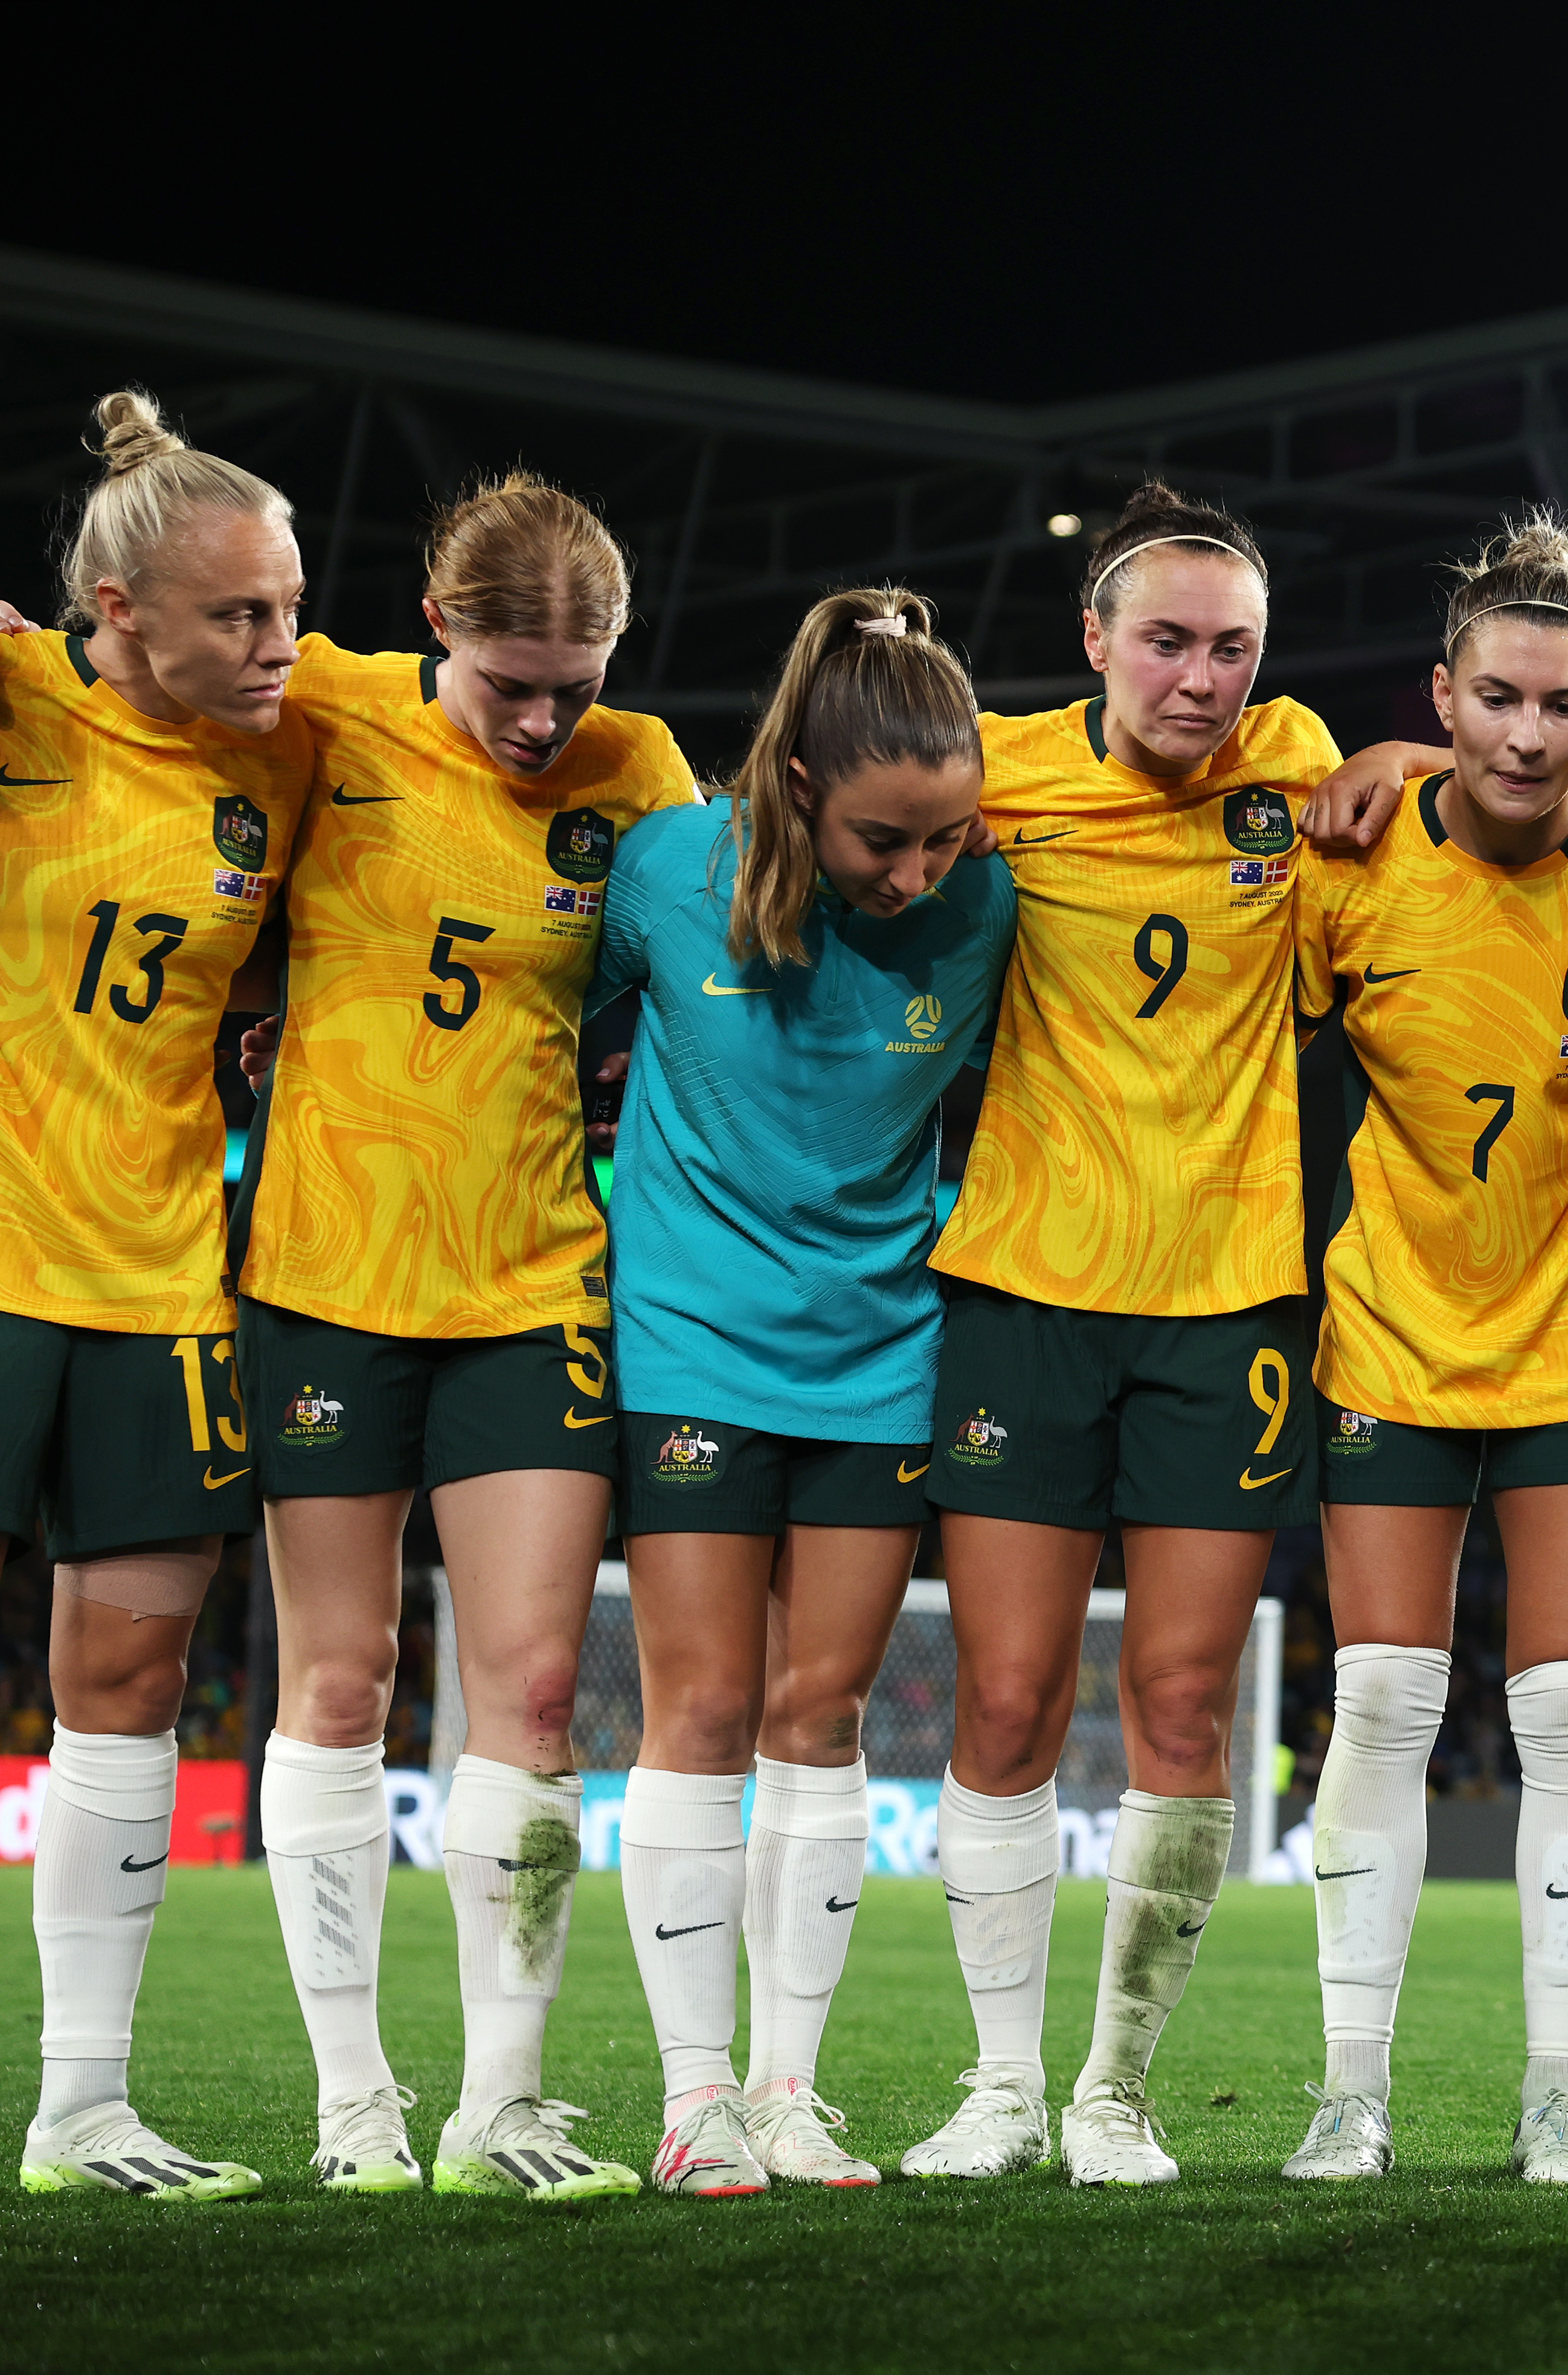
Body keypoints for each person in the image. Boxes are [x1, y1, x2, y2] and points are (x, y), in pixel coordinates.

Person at [901, 487, 1439, 2184]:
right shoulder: (996, 779)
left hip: (1229, 1308)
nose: (1200, 679)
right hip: (1024, 1293)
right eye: (1167, 642)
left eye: (1231, 648)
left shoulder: (1298, 770)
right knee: (999, 1699)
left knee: (1187, 1698)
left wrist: (1412, 758)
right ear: (1093, 643)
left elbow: (1453, 799)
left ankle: (1115, 2089)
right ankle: (999, 2084)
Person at [243, 475, 696, 2201]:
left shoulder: (640, 773)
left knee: (528, 1692)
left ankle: (497, 2107)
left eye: (573, 684)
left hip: (530, 1281)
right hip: (328, 1275)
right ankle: (355, 2106)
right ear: (438, 627)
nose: (541, 718)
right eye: (512, 678)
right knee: (340, 1685)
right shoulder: (331, 710)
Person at [1279, 515, 1568, 2187]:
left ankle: (1560, 2096)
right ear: (1442, 697)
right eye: (1493, 699)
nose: (1527, 733)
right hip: (1390, 1330)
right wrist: (1380, 769)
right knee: (1384, 1705)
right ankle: (1351, 2090)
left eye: (1561, 704)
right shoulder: (1353, 861)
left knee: (1565, 1716)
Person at [591, 588, 1015, 2196]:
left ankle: (788, 2088)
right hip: (695, 1342)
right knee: (699, 1704)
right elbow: (533, 1024)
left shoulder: (987, 900)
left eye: (944, 840)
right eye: (883, 843)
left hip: (880, 1357)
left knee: (820, 1712)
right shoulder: (666, 873)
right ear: (792, 794)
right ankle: (693, 2100)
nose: (916, 876)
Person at [5, 391, 312, 2203]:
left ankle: (80, 2107)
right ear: (112, 613)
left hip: (154, 1279)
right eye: (239, 618)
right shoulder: (23, 701)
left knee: (125, 1672)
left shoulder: (293, 741)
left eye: (288, 605)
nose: (282, 646)